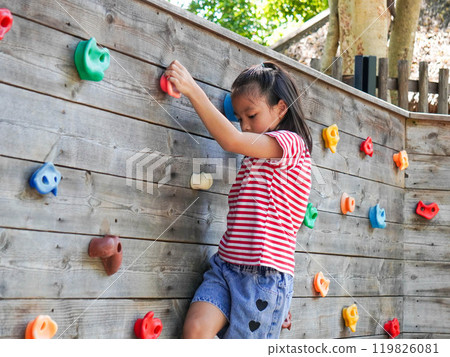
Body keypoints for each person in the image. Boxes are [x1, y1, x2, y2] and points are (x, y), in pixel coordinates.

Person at [164, 60, 313, 339]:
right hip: (226, 266)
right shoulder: (256, 157)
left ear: (281, 108)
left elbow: (230, 140)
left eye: (252, 115)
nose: (244, 126)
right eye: (240, 119)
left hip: (263, 276)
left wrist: (192, 89)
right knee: (195, 332)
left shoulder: (292, 145)